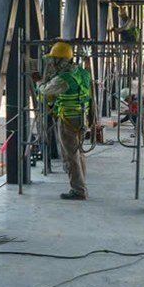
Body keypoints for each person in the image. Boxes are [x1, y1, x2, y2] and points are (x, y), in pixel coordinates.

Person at [35, 40, 92, 201]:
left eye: (54, 60)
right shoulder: (82, 73)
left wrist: (38, 81)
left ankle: (78, 190)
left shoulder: (63, 79)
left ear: (60, 61)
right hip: (82, 119)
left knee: (70, 155)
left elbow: (45, 91)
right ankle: (81, 185)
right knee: (79, 152)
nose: (52, 63)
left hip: (68, 120)